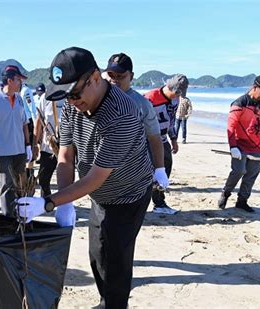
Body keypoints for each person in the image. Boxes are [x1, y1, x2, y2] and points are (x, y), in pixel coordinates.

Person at [16, 47, 154, 308]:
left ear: (94, 78)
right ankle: (106, 301)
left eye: (75, 94)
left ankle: (114, 304)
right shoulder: (71, 106)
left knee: (115, 259)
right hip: (99, 194)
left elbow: (94, 178)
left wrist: (49, 202)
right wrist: (64, 202)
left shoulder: (121, 114)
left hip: (128, 194)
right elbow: (66, 158)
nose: (72, 101)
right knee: (97, 253)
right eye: (66, 96)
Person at [103, 52, 168, 190]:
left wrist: (160, 169)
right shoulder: (98, 99)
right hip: (102, 171)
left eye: (120, 76)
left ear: (131, 76)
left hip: (133, 172)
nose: (114, 80)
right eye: (111, 75)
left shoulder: (142, 104)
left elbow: (155, 137)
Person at [217, 73, 260, 213]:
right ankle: (226, 193)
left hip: (256, 146)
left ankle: (242, 201)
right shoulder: (240, 103)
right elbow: (231, 126)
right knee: (239, 171)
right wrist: (233, 147)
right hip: (239, 145)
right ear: (255, 87)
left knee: (252, 174)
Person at [0, 65, 32, 216]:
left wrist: (28, 145)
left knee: (21, 185)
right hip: (4, 152)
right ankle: (8, 217)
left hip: (20, 150)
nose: (20, 83)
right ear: (9, 80)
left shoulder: (20, 99)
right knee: (7, 185)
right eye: (18, 80)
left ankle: (20, 214)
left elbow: (24, 124)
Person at [144, 74, 189, 215]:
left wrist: (174, 139)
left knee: (165, 169)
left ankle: (159, 203)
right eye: (176, 93)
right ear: (170, 87)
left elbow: (170, 122)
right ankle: (145, 202)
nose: (177, 96)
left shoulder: (176, 100)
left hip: (163, 140)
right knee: (149, 172)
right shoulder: (149, 99)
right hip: (147, 141)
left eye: (180, 94)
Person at [33, 84, 65, 197]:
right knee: (43, 178)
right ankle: (45, 198)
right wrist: (35, 144)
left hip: (67, 144)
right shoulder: (45, 97)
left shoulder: (71, 93)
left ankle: (65, 203)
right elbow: (39, 120)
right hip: (49, 144)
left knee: (66, 178)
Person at [21, 82, 38, 177]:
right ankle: (26, 173)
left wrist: (36, 124)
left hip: (27, 122)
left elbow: (32, 108)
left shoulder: (25, 91)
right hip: (22, 123)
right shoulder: (19, 91)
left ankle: (29, 172)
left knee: (29, 147)